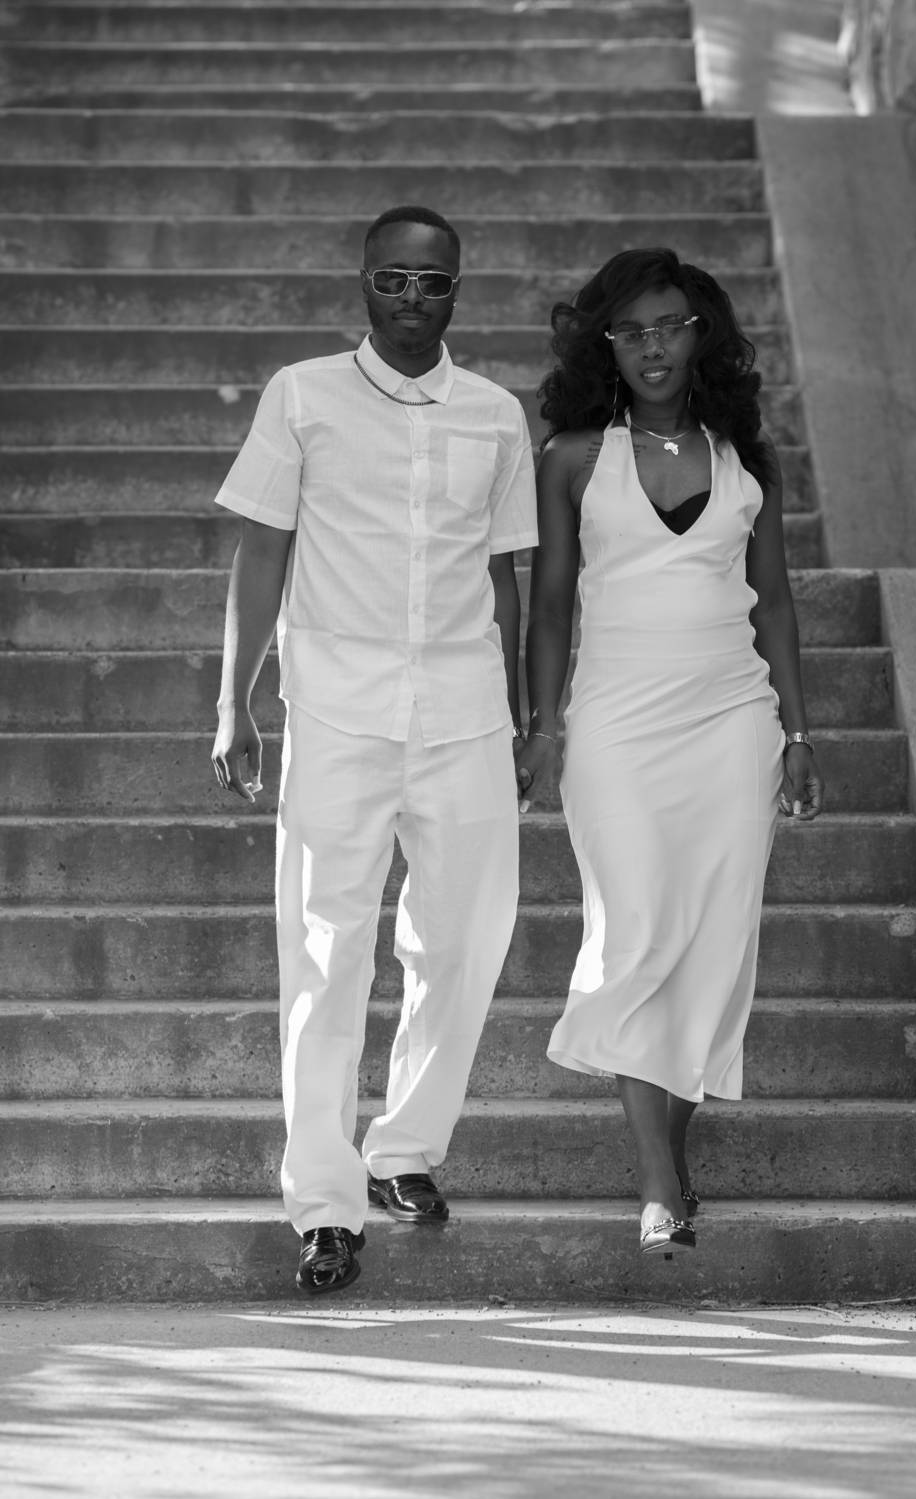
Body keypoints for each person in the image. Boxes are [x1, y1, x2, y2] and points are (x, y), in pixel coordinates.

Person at [210, 205, 538, 1294]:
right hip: (338, 713)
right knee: (324, 952)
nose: (411, 299)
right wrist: (234, 700)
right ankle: (323, 1202)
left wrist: (525, 716)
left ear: (456, 292)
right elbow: (263, 550)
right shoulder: (301, 395)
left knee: (467, 938)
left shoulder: (495, 414)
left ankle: (403, 1148)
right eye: (393, 279)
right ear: (363, 282)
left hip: (464, 712)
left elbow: (502, 575)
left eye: (432, 282)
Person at [517, 248, 822, 1257]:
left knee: (712, 947)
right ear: (605, 345)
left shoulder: (745, 460)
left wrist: (797, 731)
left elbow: (774, 603)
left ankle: (668, 1168)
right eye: (632, 330)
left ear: (703, 337)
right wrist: (544, 724)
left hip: (733, 720)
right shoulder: (572, 456)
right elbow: (550, 604)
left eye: (671, 326)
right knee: (635, 928)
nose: (653, 346)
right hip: (614, 720)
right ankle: (658, 1185)